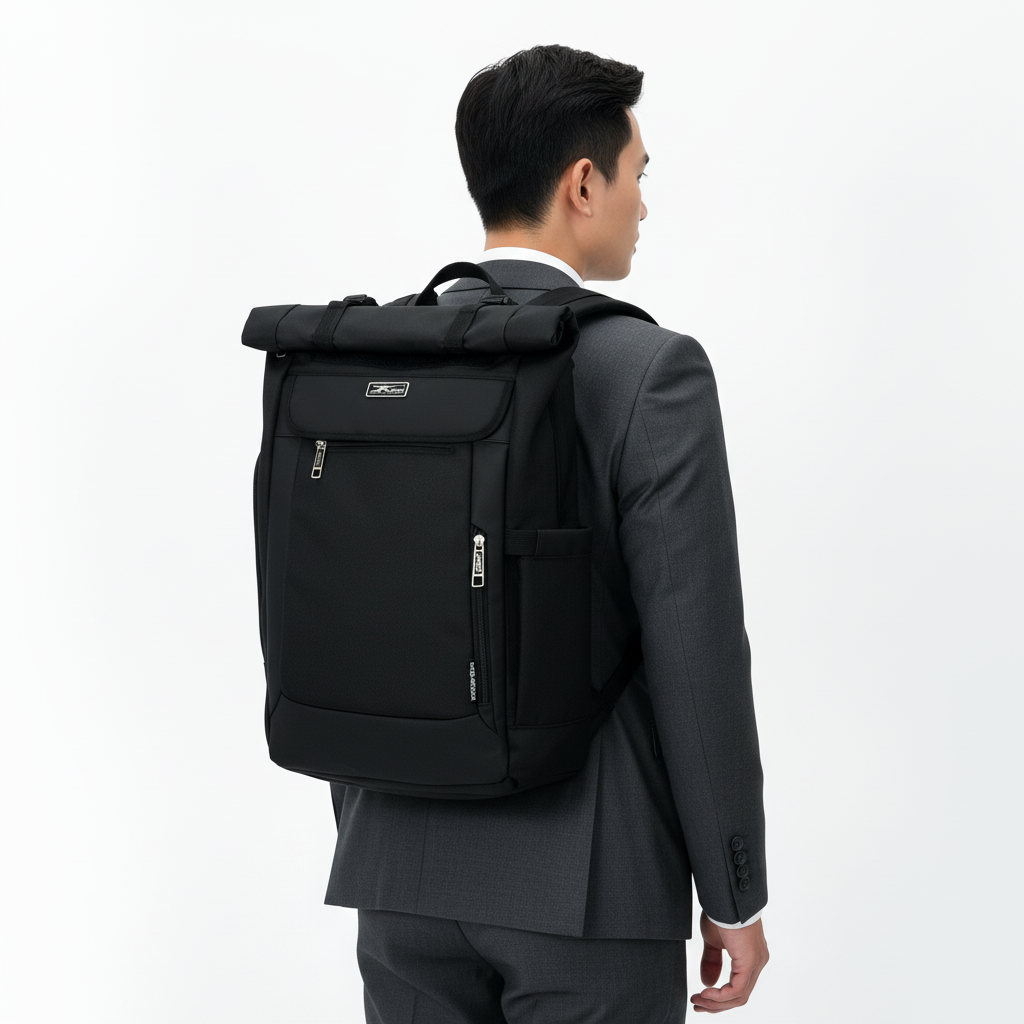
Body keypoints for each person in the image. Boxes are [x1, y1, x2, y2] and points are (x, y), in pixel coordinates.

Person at [324, 43, 769, 1021]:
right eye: (636, 174)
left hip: (394, 876)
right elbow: (695, 653)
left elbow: (347, 611)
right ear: (582, 184)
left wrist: (383, 831)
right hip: (589, 887)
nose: (643, 203)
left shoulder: (375, 355)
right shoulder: (649, 370)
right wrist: (733, 892)